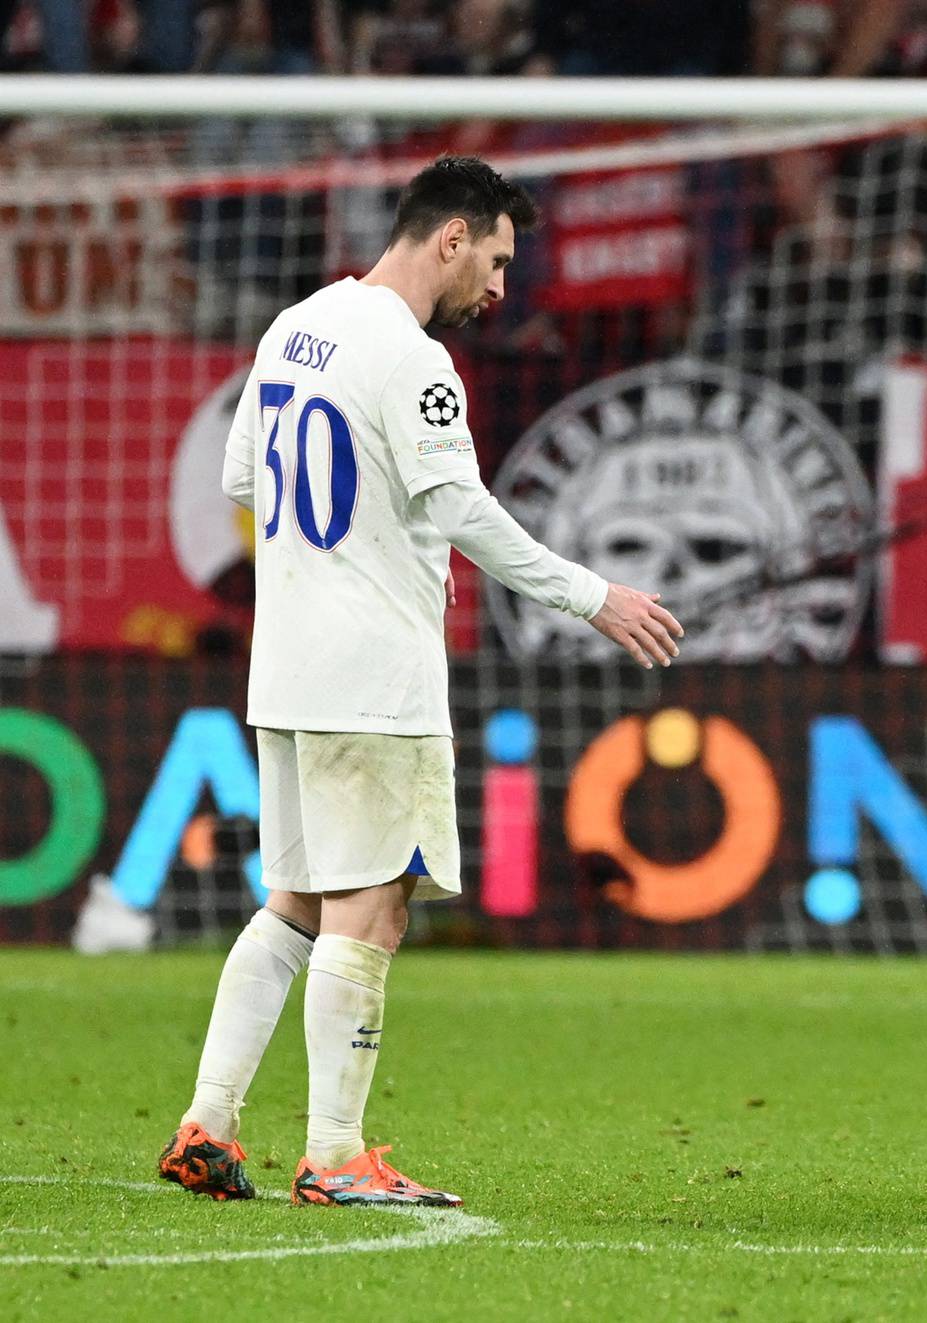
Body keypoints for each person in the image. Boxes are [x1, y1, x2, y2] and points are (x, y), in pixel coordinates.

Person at [157, 156, 684, 1208]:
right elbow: (461, 511)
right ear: (450, 237)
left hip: (288, 671)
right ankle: (337, 1153)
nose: (498, 289)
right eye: (493, 261)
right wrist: (594, 597)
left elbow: (242, 482)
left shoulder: (296, 326)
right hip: (375, 678)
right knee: (373, 908)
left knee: (296, 905)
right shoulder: (415, 360)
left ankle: (206, 1125)